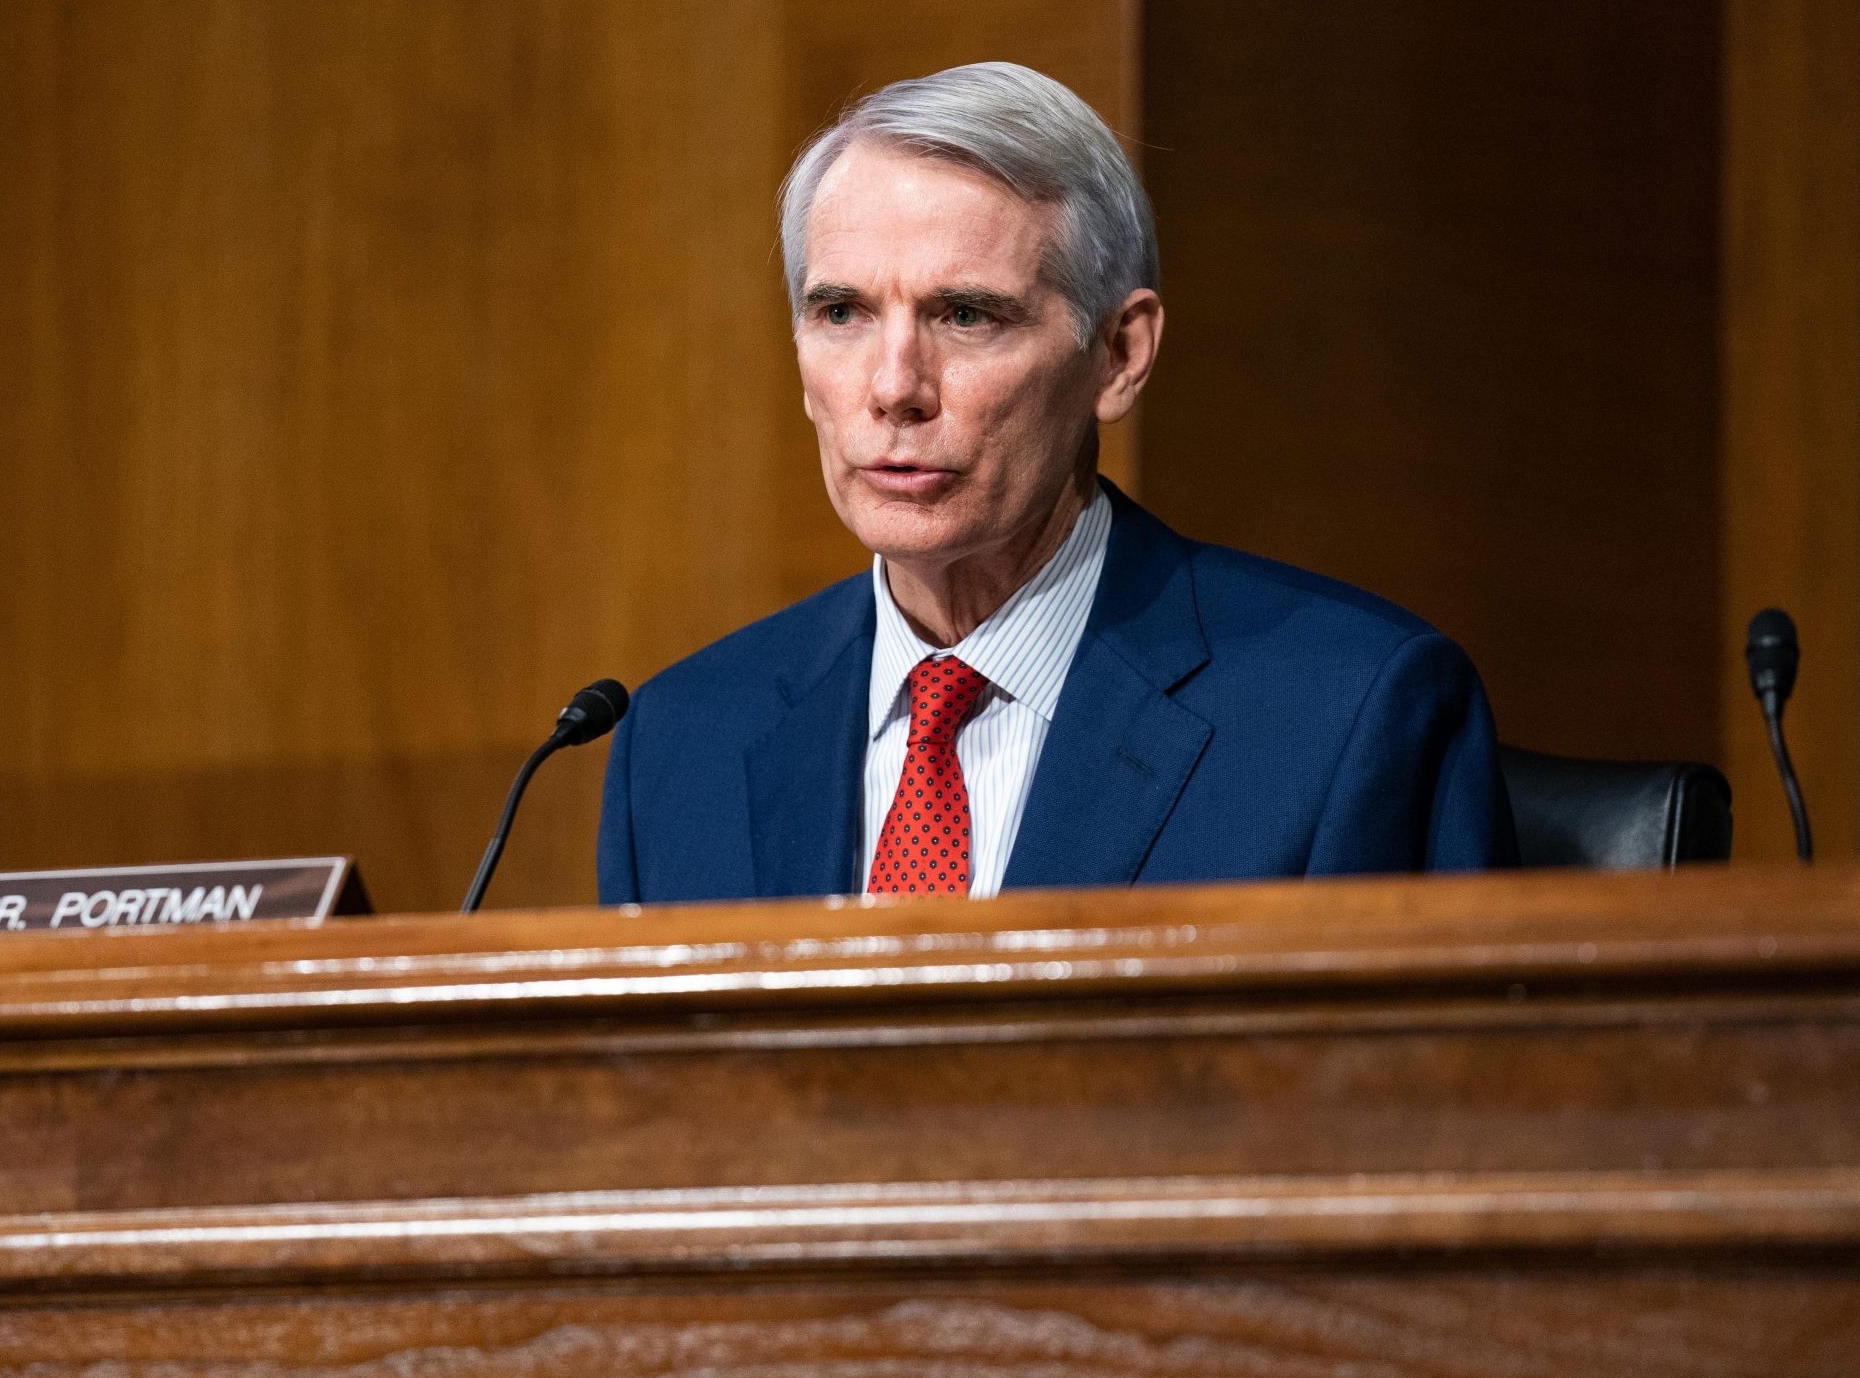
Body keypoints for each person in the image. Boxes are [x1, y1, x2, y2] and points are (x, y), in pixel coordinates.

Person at [599, 62, 1515, 905]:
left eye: (966, 316)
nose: (893, 388)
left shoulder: (1347, 715)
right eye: (842, 312)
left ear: (1119, 354)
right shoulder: (681, 747)